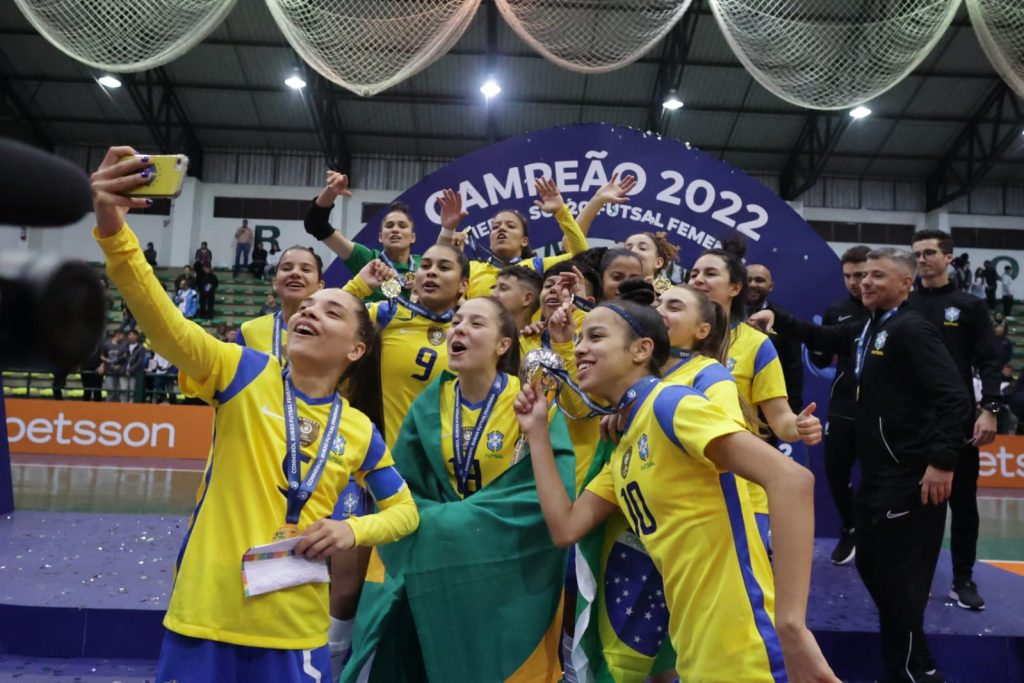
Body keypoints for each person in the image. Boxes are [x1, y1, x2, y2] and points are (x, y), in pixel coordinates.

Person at [90, 147, 419, 683]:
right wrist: (114, 232)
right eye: (309, 305)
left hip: (296, 635)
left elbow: (404, 512)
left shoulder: (357, 428)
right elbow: (163, 321)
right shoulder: (241, 371)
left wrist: (350, 530)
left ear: (356, 350)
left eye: (330, 309)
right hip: (206, 618)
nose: (310, 309)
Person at [517, 296, 838, 683]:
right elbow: (565, 528)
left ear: (642, 349)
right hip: (694, 648)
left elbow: (792, 479)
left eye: (596, 336)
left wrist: (791, 624)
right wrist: (536, 432)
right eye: (580, 338)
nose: (580, 346)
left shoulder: (670, 403)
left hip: (747, 643)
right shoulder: (623, 450)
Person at [753, 248, 971, 683]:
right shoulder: (869, 326)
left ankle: (914, 672)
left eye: (877, 276)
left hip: (910, 479)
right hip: (878, 477)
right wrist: (771, 314)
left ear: (905, 284)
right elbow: (822, 338)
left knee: (900, 585)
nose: (865, 283)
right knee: (874, 569)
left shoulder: (911, 330)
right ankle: (914, 665)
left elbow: (955, 398)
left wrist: (942, 463)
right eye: (863, 276)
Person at [344, 296, 575, 682]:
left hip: (508, 567)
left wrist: (452, 523)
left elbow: (545, 492)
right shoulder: (430, 402)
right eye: (456, 321)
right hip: (440, 567)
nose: (459, 328)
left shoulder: (531, 400)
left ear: (503, 346)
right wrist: (454, 525)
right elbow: (403, 489)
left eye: (476, 323)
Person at [689, 242, 822, 550]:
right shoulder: (670, 340)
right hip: (683, 484)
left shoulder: (757, 344)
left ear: (735, 287)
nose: (698, 279)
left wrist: (798, 426)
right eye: (694, 273)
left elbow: (780, 421)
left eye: (710, 273)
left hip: (743, 487)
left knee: (745, 592)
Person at [909, 230, 1002, 611]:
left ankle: (962, 578)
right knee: (910, 503)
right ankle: (911, 575)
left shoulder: (969, 306)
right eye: (916, 254)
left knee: (962, 504)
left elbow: (990, 360)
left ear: (949, 258)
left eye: (930, 253)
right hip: (910, 422)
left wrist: (990, 409)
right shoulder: (905, 303)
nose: (922, 260)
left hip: (958, 420)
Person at [802, 245, 872, 565]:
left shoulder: (892, 309)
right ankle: (850, 529)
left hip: (884, 408)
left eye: (860, 275)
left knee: (881, 475)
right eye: (848, 276)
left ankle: (876, 533)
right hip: (843, 403)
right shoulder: (837, 309)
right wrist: (815, 346)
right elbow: (821, 353)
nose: (854, 282)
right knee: (834, 469)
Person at [435, 177, 589, 298]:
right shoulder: (472, 268)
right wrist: (447, 230)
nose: (501, 228)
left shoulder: (538, 267)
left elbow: (581, 255)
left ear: (524, 241)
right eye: (495, 227)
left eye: (510, 226)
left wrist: (561, 212)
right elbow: (438, 271)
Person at [305, 172, 421, 304]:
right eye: (389, 225)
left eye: (402, 226)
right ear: (380, 237)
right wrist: (331, 193)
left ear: (413, 237)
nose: (395, 229)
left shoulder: (425, 266)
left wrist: (424, 284)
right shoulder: (368, 260)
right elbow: (316, 225)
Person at [237, 246, 324, 364]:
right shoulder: (248, 332)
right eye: (287, 268)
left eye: (306, 269)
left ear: (320, 286)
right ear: (275, 283)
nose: (295, 273)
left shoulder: (333, 334)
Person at [747, 263, 804, 413]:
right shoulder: (727, 316)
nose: (752, 284)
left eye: (759, 280)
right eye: (748, 280)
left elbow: (793, 367)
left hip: (767, 407)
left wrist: (793, 410)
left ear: (770, 286)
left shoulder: (783, 320)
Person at [101, 330, 128, 401]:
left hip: (119, 371)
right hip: (109, 371)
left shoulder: (123, 345)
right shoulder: (107, 345)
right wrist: (107, 360)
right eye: (123, 336)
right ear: (118, 335)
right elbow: (102, 356)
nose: (124, 337)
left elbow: (125, 356)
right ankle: (108, 409)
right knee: (110, 391)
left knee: (118, 392)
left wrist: (119, 363)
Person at [126, 329, 147, 403]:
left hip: (135, 373)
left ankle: (131, 408)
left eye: (133, 335)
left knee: (132, 392)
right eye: (129, 335)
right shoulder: (125, 345)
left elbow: (140, 361)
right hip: (123, 372)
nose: (131, 336)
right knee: (123, 390)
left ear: (137, 336)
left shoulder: (141, 347)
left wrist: (131, 369)